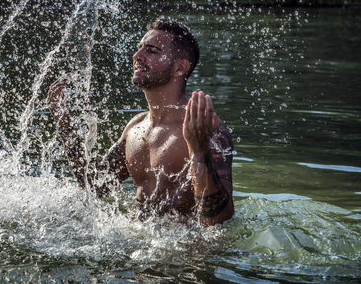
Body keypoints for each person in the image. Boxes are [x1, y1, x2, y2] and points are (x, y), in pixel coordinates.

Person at [47, 18, 234, 226]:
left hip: (184, 254)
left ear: (180, 67)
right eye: (139, 49)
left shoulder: (204, 127)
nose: (137, 56)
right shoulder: (136, 128)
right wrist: (64, 125)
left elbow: (218, 219)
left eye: (152, 51)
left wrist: (199, 148)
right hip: (140, 245)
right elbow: (95, 186)